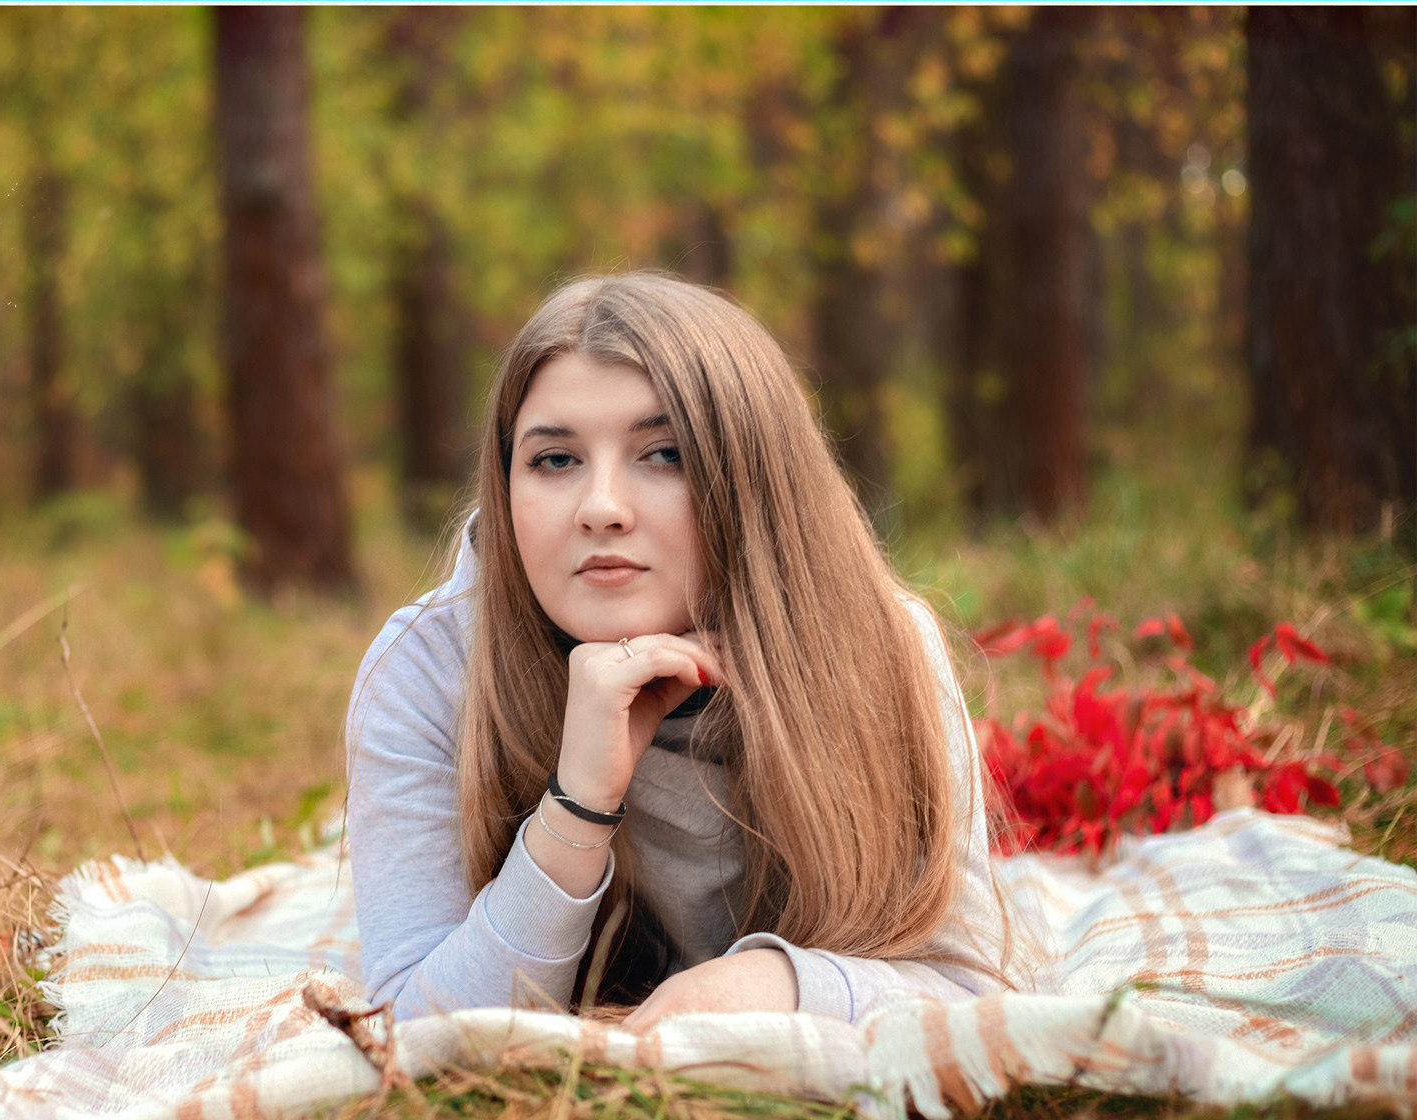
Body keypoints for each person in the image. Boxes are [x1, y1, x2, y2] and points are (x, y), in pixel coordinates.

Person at [346, 272, 1010, 1035]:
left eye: (663, 454)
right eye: (555, 460)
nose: (601, 508)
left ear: (754, 480)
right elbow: (406, 1032)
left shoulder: (880, 647)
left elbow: (972, 985)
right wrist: (575, 808)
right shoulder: (429, 668)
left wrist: (772, 984)